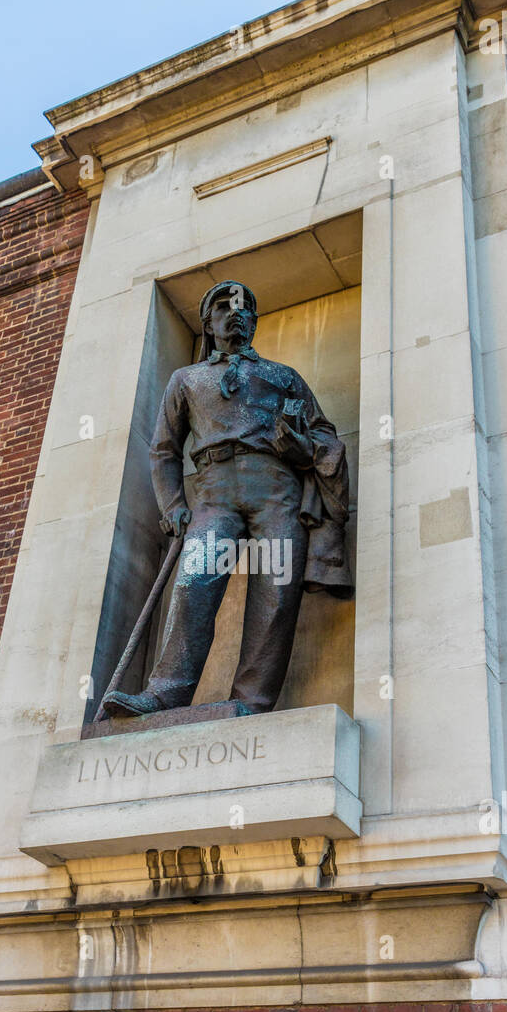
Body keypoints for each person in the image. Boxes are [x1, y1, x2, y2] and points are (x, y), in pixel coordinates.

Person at [102, 279, 352, 718]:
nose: (235, 313)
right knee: (194, 585)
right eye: (223, 306)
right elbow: (163, 449)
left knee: (275, 598)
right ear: (209, 322)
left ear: (254, 320)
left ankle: (251, 702)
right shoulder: (186, 379)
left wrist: (303, 447)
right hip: (214, 491)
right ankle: (164, 693)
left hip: (276, 491)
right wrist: (173, 505)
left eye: (244, 308)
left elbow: (323, 433)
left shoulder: (283, 377)